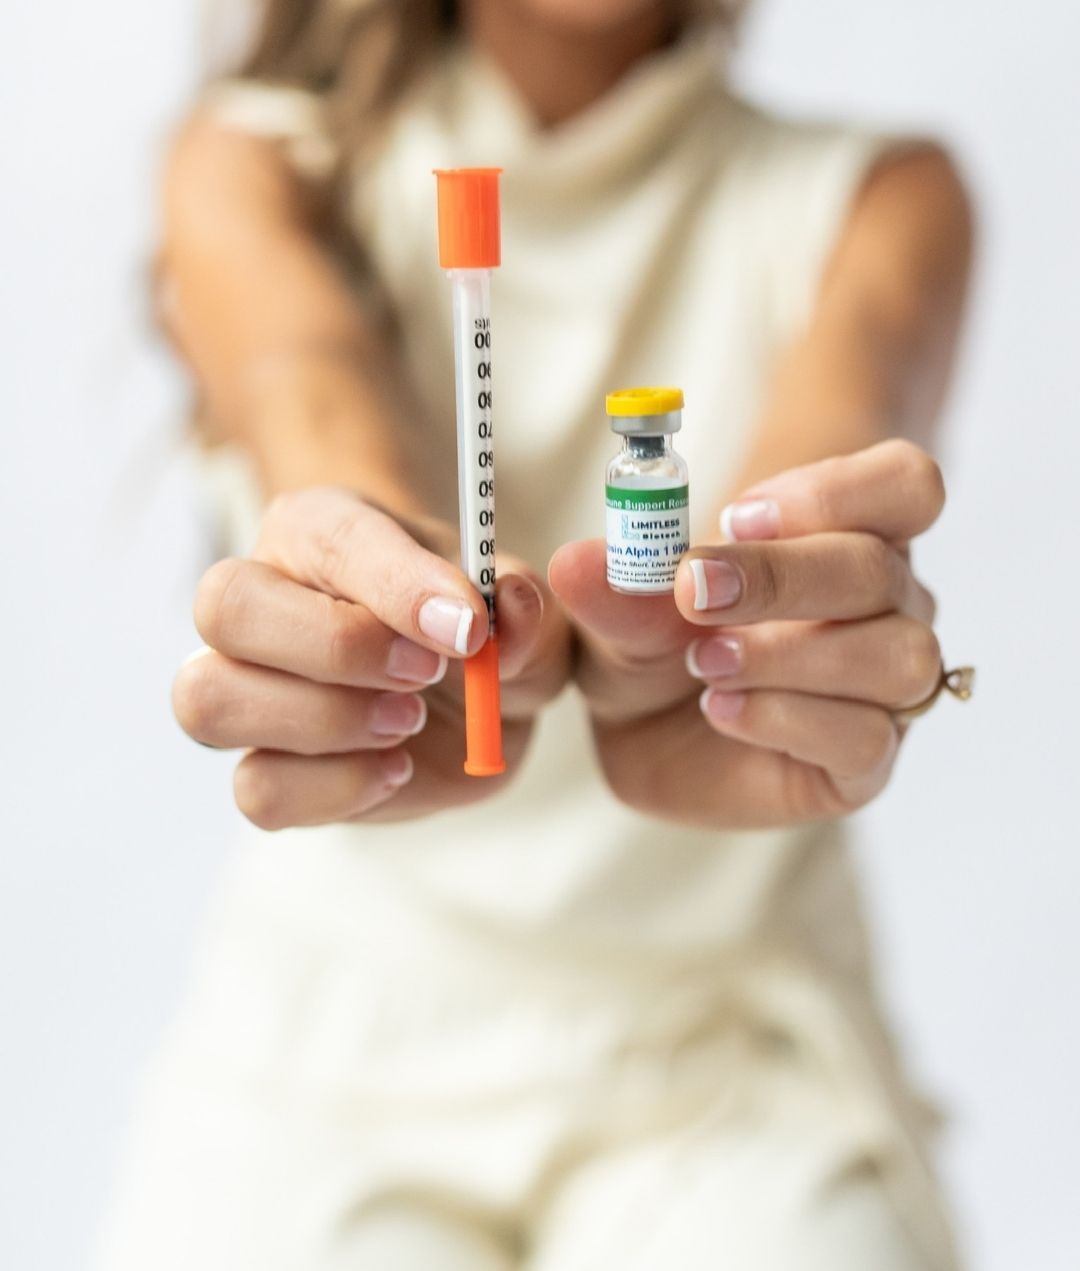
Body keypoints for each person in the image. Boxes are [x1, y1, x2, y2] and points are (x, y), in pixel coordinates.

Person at [97, 1, 975, 1267]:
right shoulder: (259, 159)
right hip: (333, 1044)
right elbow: (313, 391)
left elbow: (810, 464)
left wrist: (745, 620)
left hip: (733, 1053)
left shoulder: (880, 195)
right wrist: (384, 566)